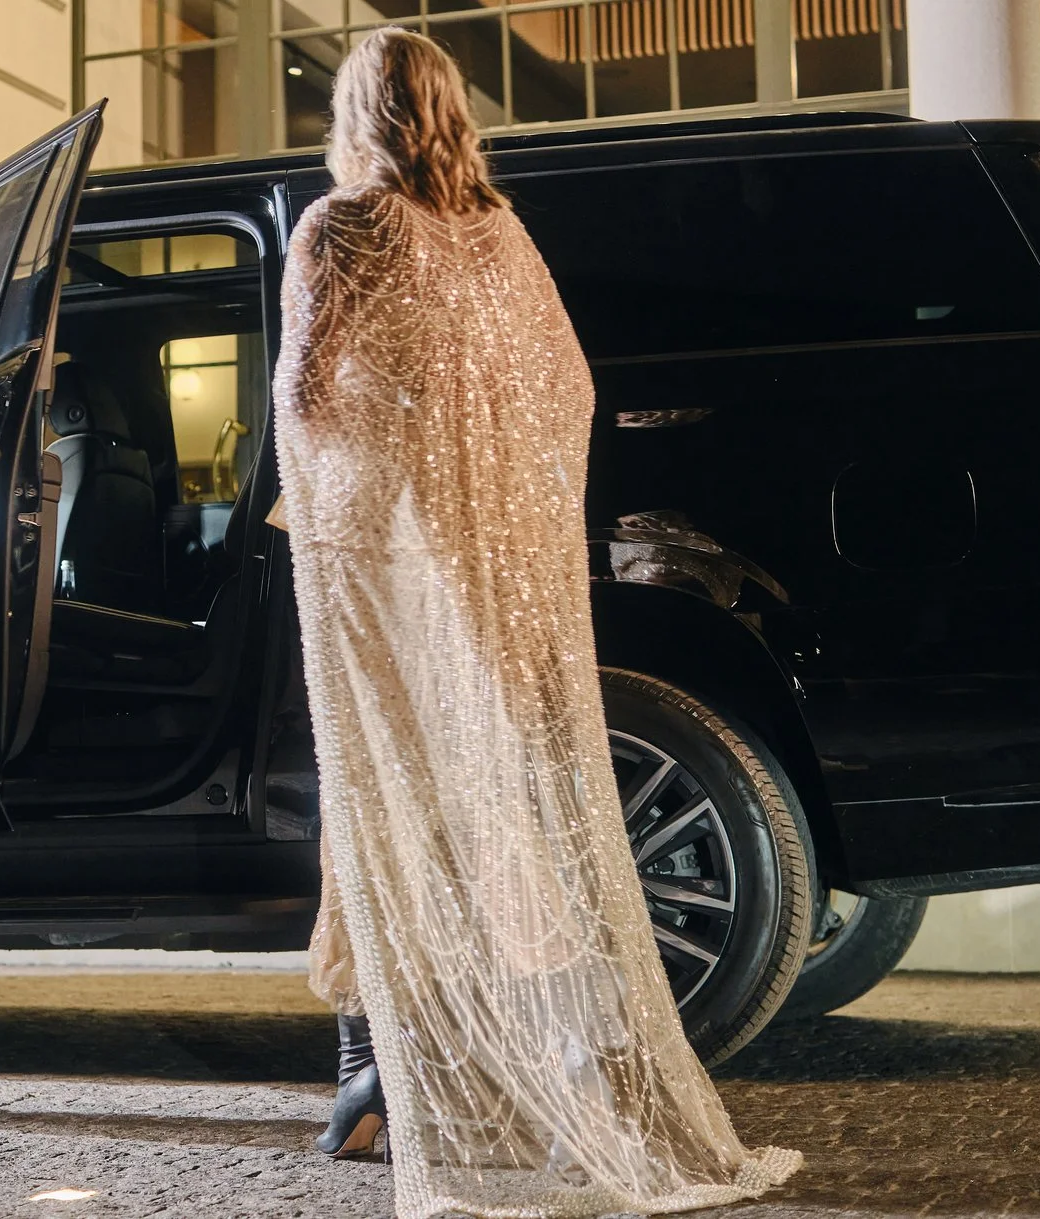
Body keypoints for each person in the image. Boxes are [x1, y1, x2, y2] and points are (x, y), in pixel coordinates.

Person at [273, 29, 803, 1216]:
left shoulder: (340, 228)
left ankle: (375, 1065)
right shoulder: (500, 235)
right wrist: (504, 513)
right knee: (492, 804)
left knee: (375, 794)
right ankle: (508, 1060)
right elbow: (565, 389)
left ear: (355, 111)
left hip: (383, 565)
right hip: (489, 572)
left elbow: (304, 398)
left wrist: (364, 486)